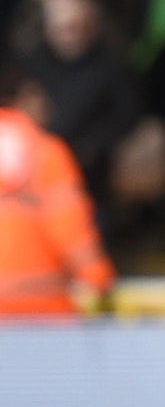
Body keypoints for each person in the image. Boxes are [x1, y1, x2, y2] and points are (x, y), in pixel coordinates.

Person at [0, 69, 116, 315]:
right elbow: (68, 222)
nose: (47, 107)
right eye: (41, 98)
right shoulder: (46, 152)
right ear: (21, 100)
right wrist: (96, 276)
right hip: (41, 306)